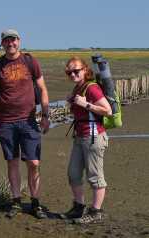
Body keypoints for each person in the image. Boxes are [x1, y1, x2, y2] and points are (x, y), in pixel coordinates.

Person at [0, 29, 50, 219]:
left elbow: (42, 87)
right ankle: (15, 201)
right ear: (2, 44)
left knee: (34, 162)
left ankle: (35, 202)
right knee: (12, 162)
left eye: (13, 40)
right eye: (6, 41)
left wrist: (46, 115)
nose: (10, 44)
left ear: (19, 41)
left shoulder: (30, 61)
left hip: (29, 120)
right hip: (6, 121)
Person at [60, 57, 111, 224]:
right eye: (69, 72)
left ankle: (96, 211)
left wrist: (86, 104)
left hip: (94, 136)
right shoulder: (78, 88)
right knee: (73, 174)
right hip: (80, 136)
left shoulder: (92, 88)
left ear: (85, 70)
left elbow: (107, 110)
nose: (73, 74)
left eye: (76, 70)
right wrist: (72, 102)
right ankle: (79, 207)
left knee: (95, 176)